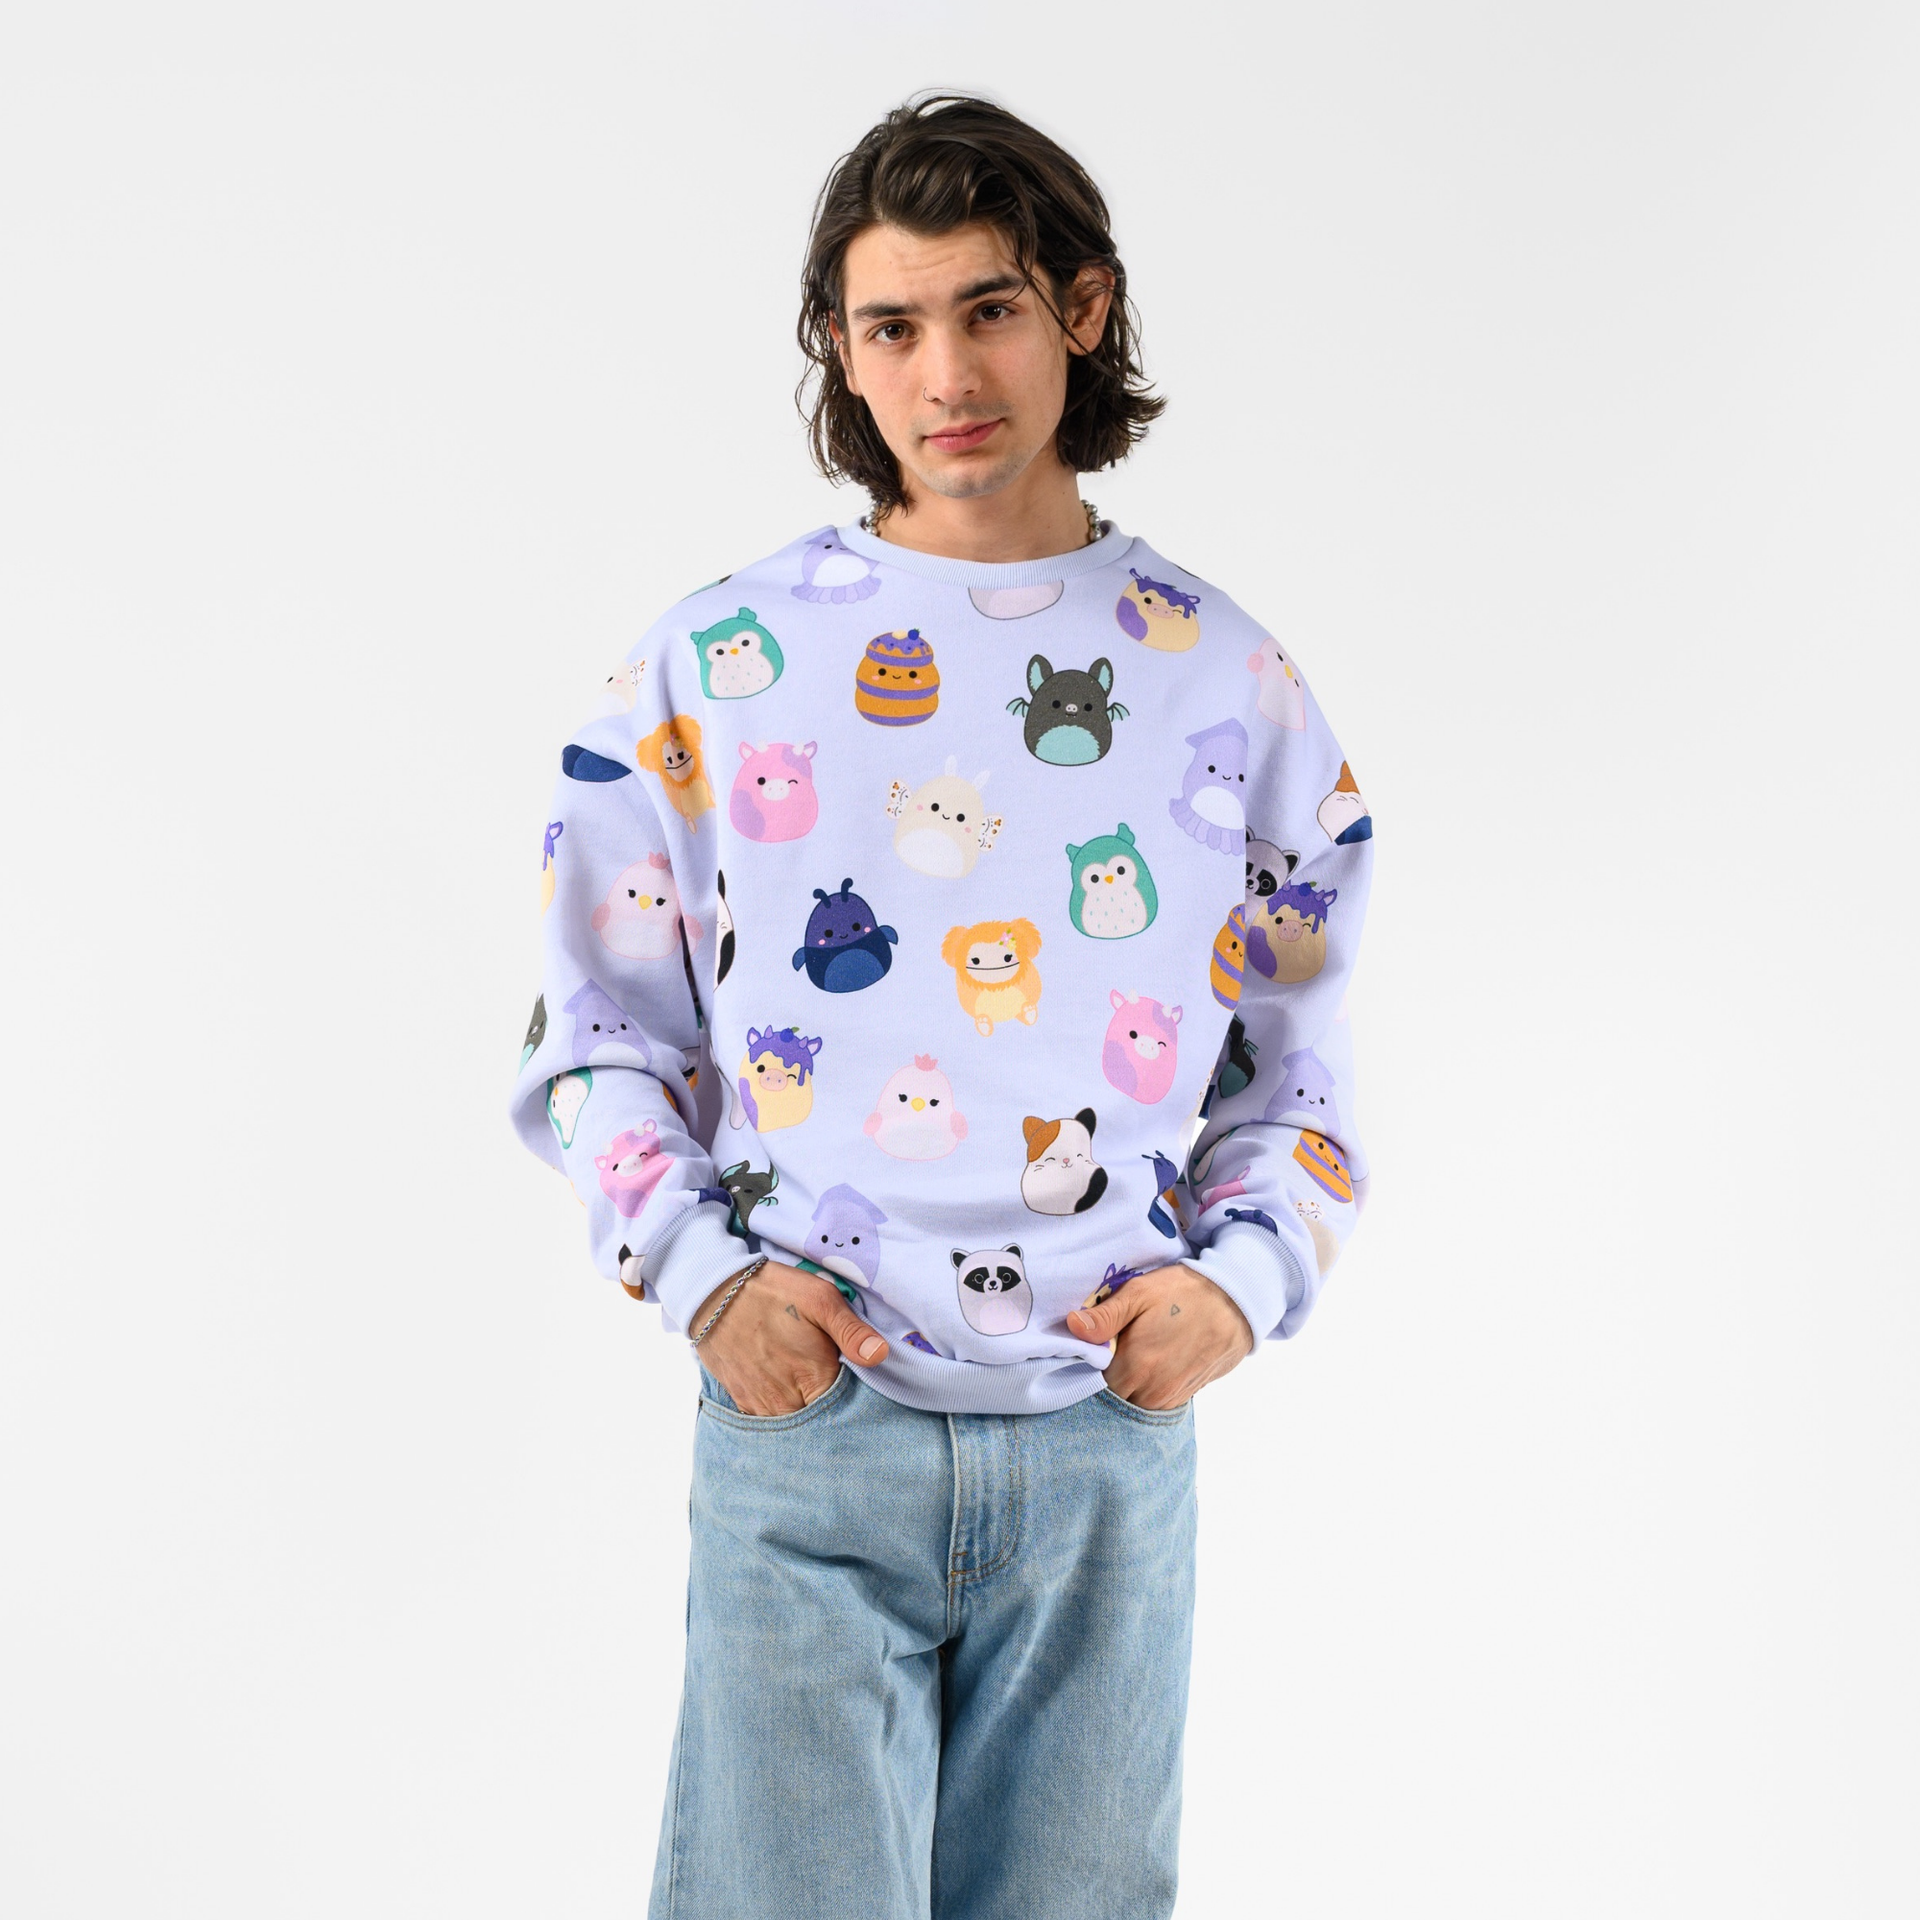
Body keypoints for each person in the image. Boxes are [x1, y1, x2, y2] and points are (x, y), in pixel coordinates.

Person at [508, 93, 1374, 1920]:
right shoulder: (715, 664)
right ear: (841, 349)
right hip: (812, 1426)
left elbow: (1305, 1052)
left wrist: (1242, 1284)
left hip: (1103, 1441)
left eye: (988, 310)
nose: (944, 375)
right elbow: (592, 1032)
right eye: (890, 326)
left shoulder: (1228, 679)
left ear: (1082, 309)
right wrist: (706, 1282)